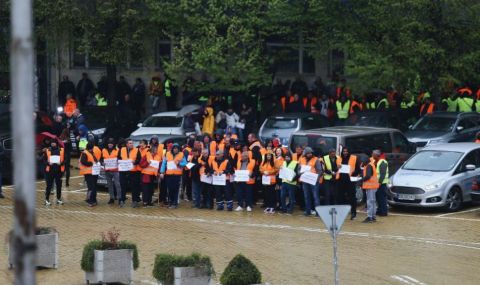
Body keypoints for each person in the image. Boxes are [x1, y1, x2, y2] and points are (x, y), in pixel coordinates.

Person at [336, 147, 361, 220]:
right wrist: (338, 167)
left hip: (350, 181)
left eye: (346, 151)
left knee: (352, 197)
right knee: (340, 197)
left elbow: (358, 170)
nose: (345, 152)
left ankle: (353, 213)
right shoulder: (339, 158)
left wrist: (354, 173)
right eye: (344, 151)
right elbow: (336, 169)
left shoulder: (354, 158)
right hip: (340, 180)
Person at [160, 143, 187, 208]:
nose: (175, 149)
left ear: (178, 149)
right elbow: (164, 163)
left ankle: (174, 203)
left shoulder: (181, 154)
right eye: (174, 148)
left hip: (177, 175)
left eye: (177, 148)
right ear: (172, 149)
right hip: (169, 175)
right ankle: (170, 202)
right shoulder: (167, 153)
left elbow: (185, 163)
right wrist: (162, 172)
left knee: (176, 189)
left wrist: (179, 163)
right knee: (169, 189)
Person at [299, 147, 322, 216]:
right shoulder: (301, 159)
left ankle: (318, 212)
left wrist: (316, 179)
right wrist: (300, 173)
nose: (309, 154)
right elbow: (298, 170)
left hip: (313, 181)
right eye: (308, 153)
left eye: (310, 153)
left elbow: (320, 171)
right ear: (305, 154)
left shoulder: (316, 159)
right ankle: (308, 211)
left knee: (315, 197)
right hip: (305, 181)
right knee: (306, 196)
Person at [118, 139, 142, 208]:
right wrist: (120, 162)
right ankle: (122, 200)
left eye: (132, 143)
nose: (131, 144)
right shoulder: (122, 149)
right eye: (130, 143)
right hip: (123, 171)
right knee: (123, 185)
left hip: (133, 171)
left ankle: (134, 201)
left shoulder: (136, 150)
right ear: (126, 144)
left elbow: (139, 159)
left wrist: (135, 162)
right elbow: (118, 158)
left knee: (134, 187)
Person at [141, 140, 162, 207]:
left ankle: (149, 202)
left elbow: (159, 166)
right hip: (146, 175)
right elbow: (141, 164)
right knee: (145, 189)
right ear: (152, 150)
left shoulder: (158, 157)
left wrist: (159, 173)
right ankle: (145, 202)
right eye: (156, 149)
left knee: (151, 189)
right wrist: (147, 162)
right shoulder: (146, 155)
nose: (156, 151)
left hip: (153, 175)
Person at [43, 140, 65, 206]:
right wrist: (48, 163)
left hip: (59, 171)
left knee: (59, 186)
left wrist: (61, 163)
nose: (53, 144)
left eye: (54, 142)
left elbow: (65, 160)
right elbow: (44, 160)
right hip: (50, 171)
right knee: (49, 186)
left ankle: (59, 199)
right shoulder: (47, 150)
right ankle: (47, 200)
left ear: (56, 143)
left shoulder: (62, 150)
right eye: (52, 142)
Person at [101, 138, 122, 205]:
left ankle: (119, 198)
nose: (110, 145)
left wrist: (118, 161)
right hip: (107, 170)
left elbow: (120, 158)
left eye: (111, 143)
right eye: (109, 143)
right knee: (109, 185)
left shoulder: (118, 150)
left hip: (115, 170)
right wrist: (102, 163)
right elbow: (101, 159)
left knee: (117, 184)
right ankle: (112, 198)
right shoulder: (104, 150)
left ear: (113, 144)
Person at [80, 142, 99, 207]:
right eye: (92, 148)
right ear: (89, 148)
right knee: (91, 187)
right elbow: (83, 161)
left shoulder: (91, 152)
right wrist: (91, 163)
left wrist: (97, 163)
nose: (93, 149)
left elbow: (95, 160)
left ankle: (94, 200)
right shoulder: (84, 153)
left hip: (93, 172)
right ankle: (90, 201)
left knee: (93, 187)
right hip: (88, 173)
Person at [362, 153, 379, 223]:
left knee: (369, 201)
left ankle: (369, 217)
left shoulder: (368, 166)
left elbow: (368, 176)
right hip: (374, 185)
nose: (362, 162)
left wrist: (361, 180)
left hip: (370, 186)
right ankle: (373, 216)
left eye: (363, 161)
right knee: (373, 201)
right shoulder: (371, 164)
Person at [374, 149, 389, 216]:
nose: (372, 155)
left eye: (373, 154)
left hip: (382, 183)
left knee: (382, 198)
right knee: (379, 198)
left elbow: (382, 173)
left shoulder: (382, 162)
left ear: (377, 155)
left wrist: (379, 182)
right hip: (380, 183)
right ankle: (380, 211)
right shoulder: (380, 161)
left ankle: (383, 212)